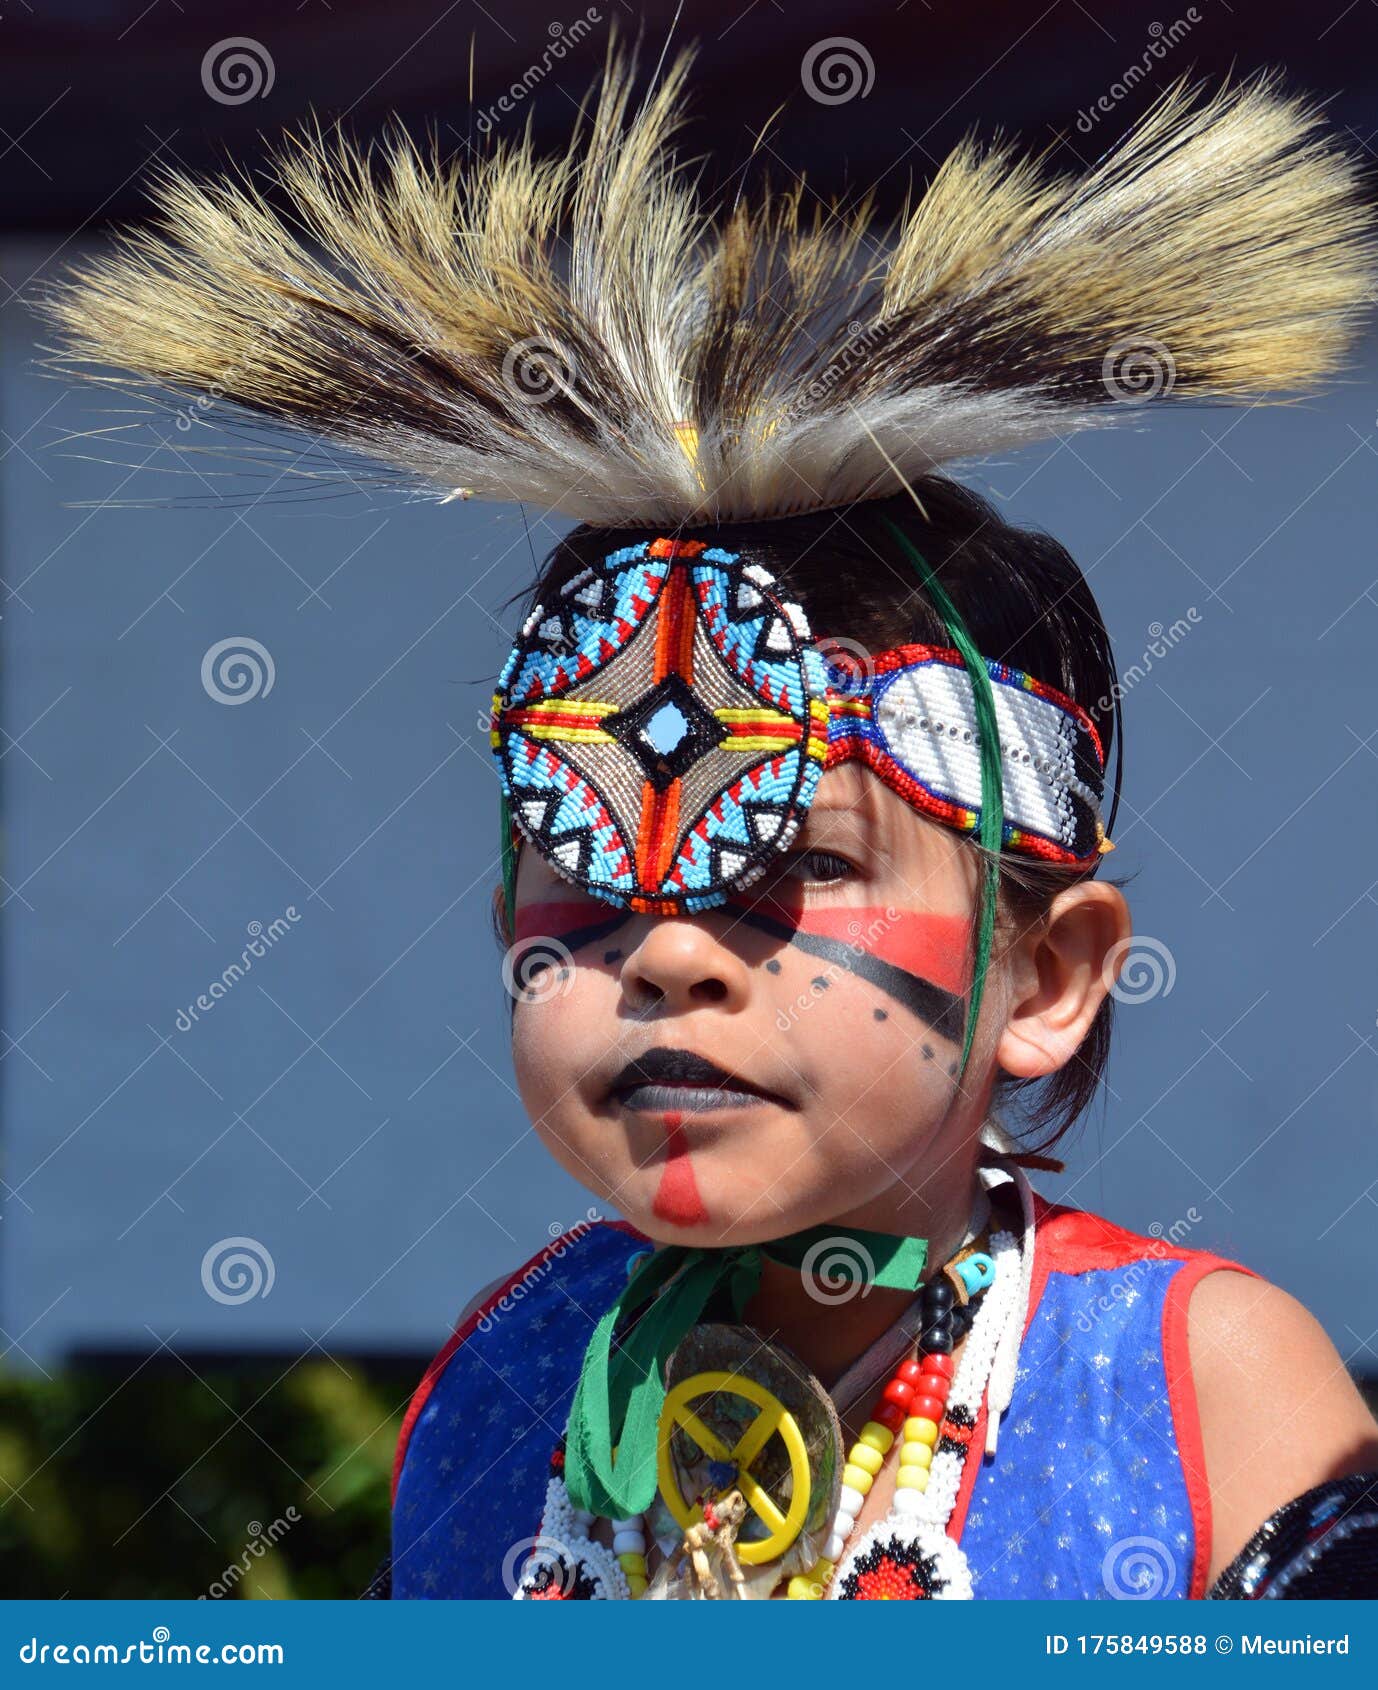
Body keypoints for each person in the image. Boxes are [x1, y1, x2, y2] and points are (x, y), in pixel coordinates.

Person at [41, 48, 1378, 1601]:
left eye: (795, 867)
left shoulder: (1199, 1387)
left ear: (1049, 977)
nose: (669, 951)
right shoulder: (509, 1388)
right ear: (502, 939)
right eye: (589, 871)